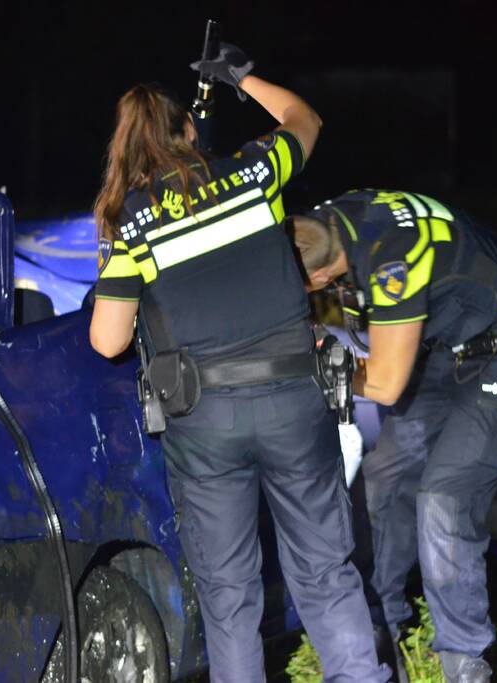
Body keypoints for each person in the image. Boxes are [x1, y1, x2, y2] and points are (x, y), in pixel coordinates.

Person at [89, 47, 392, 683]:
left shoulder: (130, 224)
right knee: (327, 572)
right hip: (293, 403)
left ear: (125, 149)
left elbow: (108, 342)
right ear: (190, 131)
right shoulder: (254, 171)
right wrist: (240, 75)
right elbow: (304, 119)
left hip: (206, 424)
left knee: (230, 600)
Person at [290, 189, 497, 683]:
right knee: (383, 474)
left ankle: (465, 659)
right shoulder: (334, 220)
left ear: (320, 277)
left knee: (444, 495)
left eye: (308, 292)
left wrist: (324, 369)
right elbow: (354, 305)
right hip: (449, 349)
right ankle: (379, 627)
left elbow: (387, 382)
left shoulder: (392, 255)